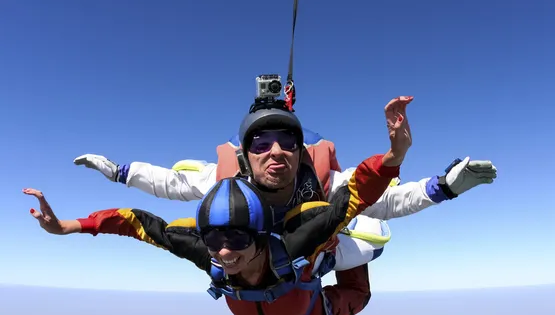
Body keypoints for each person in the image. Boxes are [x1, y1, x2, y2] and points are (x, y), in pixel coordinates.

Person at [23, 104, 411, 315]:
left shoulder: (296, 242)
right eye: (213, 239)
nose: (224, 252)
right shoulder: (205, 250)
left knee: (357, 282)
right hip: (268, 314)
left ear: (261, 236)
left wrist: (394, 156)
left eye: (238, 240)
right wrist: (68, 227)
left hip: (310, 312)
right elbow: (136, 222)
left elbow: (355, 194)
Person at [72, 96, 498, 270]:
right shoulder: (227, 182)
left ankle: (327, 294)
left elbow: (385, 199)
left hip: (310, 244)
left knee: (374, 242)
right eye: (261, 143)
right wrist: (117, 171)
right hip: (249, 256)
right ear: (245, 153)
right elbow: (168, 183)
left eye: (286, 142)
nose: (274, 151)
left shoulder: (324, 181)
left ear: (298, 150)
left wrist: (445, 185)